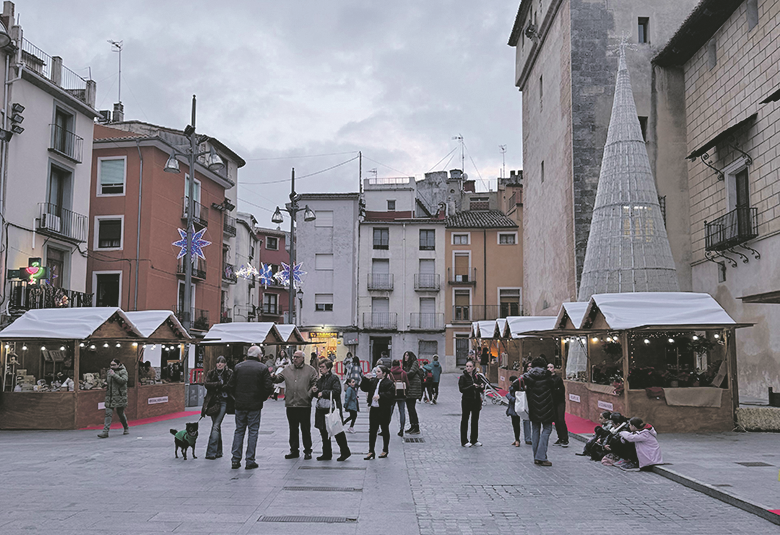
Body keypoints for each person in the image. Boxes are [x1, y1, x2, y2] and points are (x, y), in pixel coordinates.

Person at [226, 345, 274, 469]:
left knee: (239, 431)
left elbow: (230, 385)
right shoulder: (262, 368)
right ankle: (250, 460)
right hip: (254, 405)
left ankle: (235, 459)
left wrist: (236, 397)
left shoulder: (238, 367)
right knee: (253, 431)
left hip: (240, 404)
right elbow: (268, 387)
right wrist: (261, 398)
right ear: (258, 355)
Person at [272, 350, 318, 460]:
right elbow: (279, 378)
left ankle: (307, 450)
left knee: (305, 429)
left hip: (304, 404)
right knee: (293, 429)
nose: (294, 359)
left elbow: (315, 382)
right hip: (291, 404)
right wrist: (273, 377)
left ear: (303, 358)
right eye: (293, 357)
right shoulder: (288, 369)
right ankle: (294, 450)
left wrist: (310, 393)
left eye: (297, 357)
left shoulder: (310, 370)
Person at [313, 359, 351, 461]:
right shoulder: (320, 380)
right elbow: (317, 394)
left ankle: (345, 451)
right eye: (320, 367)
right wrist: (315, 391)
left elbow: (337, 391)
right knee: (323, 432)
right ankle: (326, 453)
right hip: (321, 409)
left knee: (336, 430)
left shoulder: (334, 378)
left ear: (328, 368)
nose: (320, 369)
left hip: (332, 409)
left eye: (323, 367)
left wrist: (323, 393)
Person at [522, 356, 555, 466]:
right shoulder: (549, 376)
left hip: (533, 407)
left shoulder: (528, 376)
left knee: (535, 430)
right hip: (547, 408)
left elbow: (515, 385)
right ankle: (541, 456)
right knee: (547, 429)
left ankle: (536, 456)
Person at [203, 356, 233, 459]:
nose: (219, 364)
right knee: (216, 426)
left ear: (225, 364)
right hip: (212, 402)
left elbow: (230, 385)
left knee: (216, 425)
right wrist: (219, 384)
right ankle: (218, 451)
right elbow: (206, 384)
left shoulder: (229, 373)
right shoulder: (211, 373)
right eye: (218, 362)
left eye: (221, 362)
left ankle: (211, 452)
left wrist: (217, 386)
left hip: (224, 401)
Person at [360, 366, 394, 459]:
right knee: (372, 430)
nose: (377, 373)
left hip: (384, 409)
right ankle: (371, 451)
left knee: (384, 429)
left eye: (379, 371)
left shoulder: (389, 383)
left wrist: (381, 396)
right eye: (376, 371)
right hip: (374, 408)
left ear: (384, 373)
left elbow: (391, 394)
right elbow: (364, 388)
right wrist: (365, 379)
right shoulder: (374, 381)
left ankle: (385, 450)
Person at [97, 358, 129, 438]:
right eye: (111, 365)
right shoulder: (109, 372)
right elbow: (109, 381)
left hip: (119, 396)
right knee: (108, 413)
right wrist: (105, 383)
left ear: (118, 365)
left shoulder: (123, 371)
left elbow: (124, 381)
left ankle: (126, 427)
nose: (112, 366)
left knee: (120, 413)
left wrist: (114, 375)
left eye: (114, 365)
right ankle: (105, 431)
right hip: (110, 395)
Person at [458, 360, 484, 447]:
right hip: (466, 401)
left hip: (476, 401)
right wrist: (472, 386)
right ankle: (464, 441)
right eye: (467, 366)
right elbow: (462, 389)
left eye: (470, 366)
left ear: (473, 368)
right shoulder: (463, 377)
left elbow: (480, 389)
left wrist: (481, 386)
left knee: (475, 420)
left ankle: (474, 439)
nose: (468, 368)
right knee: (465, 420)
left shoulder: (477, 377)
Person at [547, 362, 569, 447]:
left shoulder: (557, 379)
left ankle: (565, 438)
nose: (549, 368)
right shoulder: (546, 379)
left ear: (554, 369)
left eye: (551, 367)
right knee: (556, 420)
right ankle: (560, 438)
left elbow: (560, 391)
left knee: (560, 419)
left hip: (559, 401)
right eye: (548, 367)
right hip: (552, 402)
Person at [402, 351, 422, 435]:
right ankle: (412, 426)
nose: (405, 357)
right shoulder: (405, 365)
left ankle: (416, 427)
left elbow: (411, 373)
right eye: (405, 355)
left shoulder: (414, 363)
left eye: (407, 355)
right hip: (409, 388)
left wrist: (401, 374)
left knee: (412, 408)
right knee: (410, 409)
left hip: (414, 388)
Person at [388, 359, 409, 436]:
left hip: (392, 395)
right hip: (401, 395)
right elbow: (407, 384)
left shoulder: (390, 373)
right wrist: (406, 392)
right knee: (402, 412)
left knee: (389, 412)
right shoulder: (403, 373)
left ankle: (385, 428)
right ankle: (401, 429)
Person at [505, 375, 522, 447]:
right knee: (514, 424)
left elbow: (516, 399)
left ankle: (517, 439)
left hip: (516, 408)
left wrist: (508, 396)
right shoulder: (512, 388)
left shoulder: (517, 389)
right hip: (512, 409)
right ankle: (516, 439)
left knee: (516, 424)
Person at [521, 361, 533, 444]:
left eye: (531, 366)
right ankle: (527, 437)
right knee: (526, 419)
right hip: (525, 399)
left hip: (534, 399)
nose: (529, 368)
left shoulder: (537, 377)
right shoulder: (522, 377)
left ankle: (535, 436)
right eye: (528, 366)